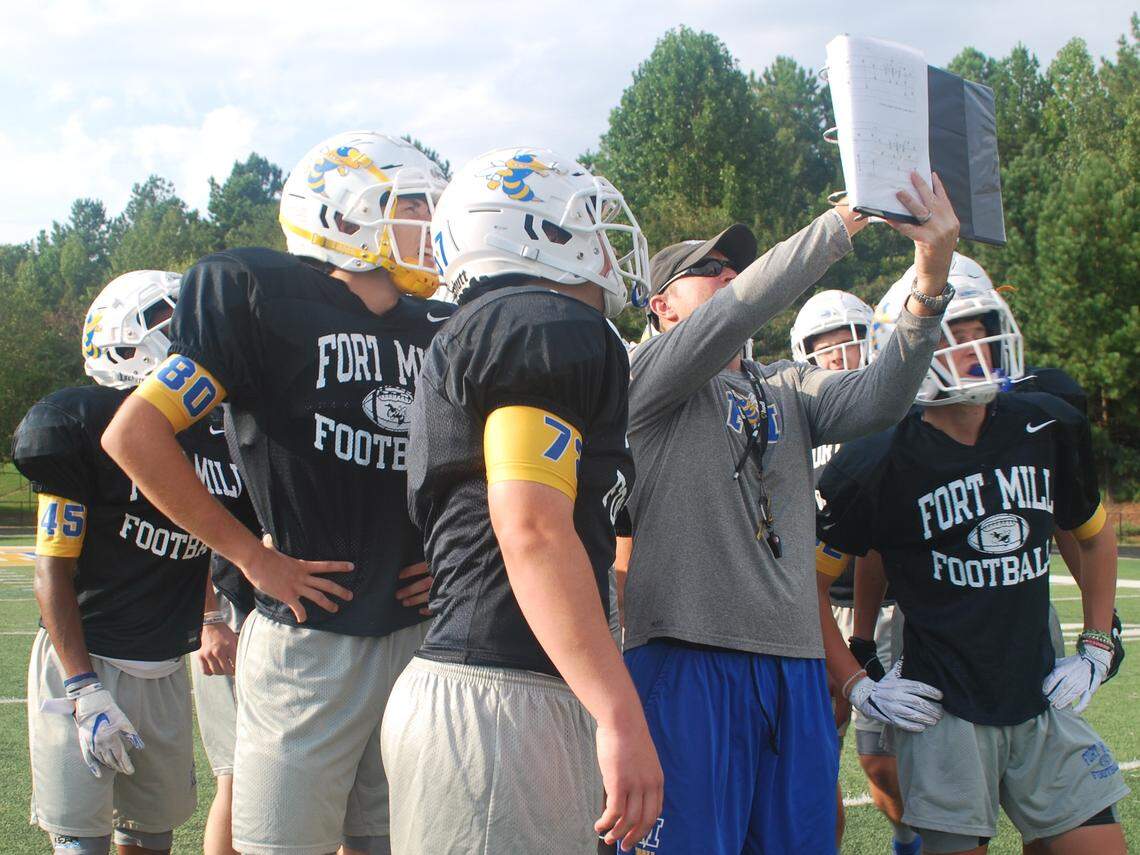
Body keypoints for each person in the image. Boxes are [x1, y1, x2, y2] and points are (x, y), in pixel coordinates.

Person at [101, 131, 453, 855]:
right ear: (348, 215)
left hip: (414, 632)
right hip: (308, 638)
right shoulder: (264, 297)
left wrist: (449, 559)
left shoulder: (440, 326)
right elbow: (133, 435)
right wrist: (249, 557)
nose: (431, 221)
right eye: (414, 202)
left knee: (390, 840)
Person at [619, 171, 958, 854]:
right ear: (662, 305)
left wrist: (929, 280)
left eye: (736, 266)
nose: (733, 275)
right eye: (710, 268)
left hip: (794, 665)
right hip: (687, 659)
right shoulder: (646, 374)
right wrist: (843, 222)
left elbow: (884, 398)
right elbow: (740, 309)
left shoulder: (785, 383)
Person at [383, 146, 662, 853]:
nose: (605, 243)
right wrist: (620, 713)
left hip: (500, 691)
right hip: (501, 700)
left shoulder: (501, 325)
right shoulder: (541, 324)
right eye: (588, 223)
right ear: (534, 232)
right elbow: (530, 528)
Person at [819, 271, 1130, 854]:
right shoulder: (875, 457)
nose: (972, 350)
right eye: (950, 336)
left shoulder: (1043, 425)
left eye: (977, 332)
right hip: (947, 712)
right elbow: (814, 583)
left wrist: (1094, 642)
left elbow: (1092, 536)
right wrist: (858, 678)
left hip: (1039, 692)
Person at [13, 270, 250, 855]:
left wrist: (211, 616)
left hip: (166, 666)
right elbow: (53, 567)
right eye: (172, 324)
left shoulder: (216, 438)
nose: (191, 339)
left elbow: (198, 545)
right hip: (87, 658)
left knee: (150, 839)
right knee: (81, 842)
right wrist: (82, 687)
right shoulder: (84, 426)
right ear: (124, 346)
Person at [791, 288, 921, 855]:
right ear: (805, 353)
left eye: (852, 342)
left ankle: (908, 838)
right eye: (827, 347)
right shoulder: (794, 415)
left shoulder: (894, 413)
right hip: (812, 605)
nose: (842, 357)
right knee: (817, 761)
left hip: (888, 606)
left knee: (881, 759)